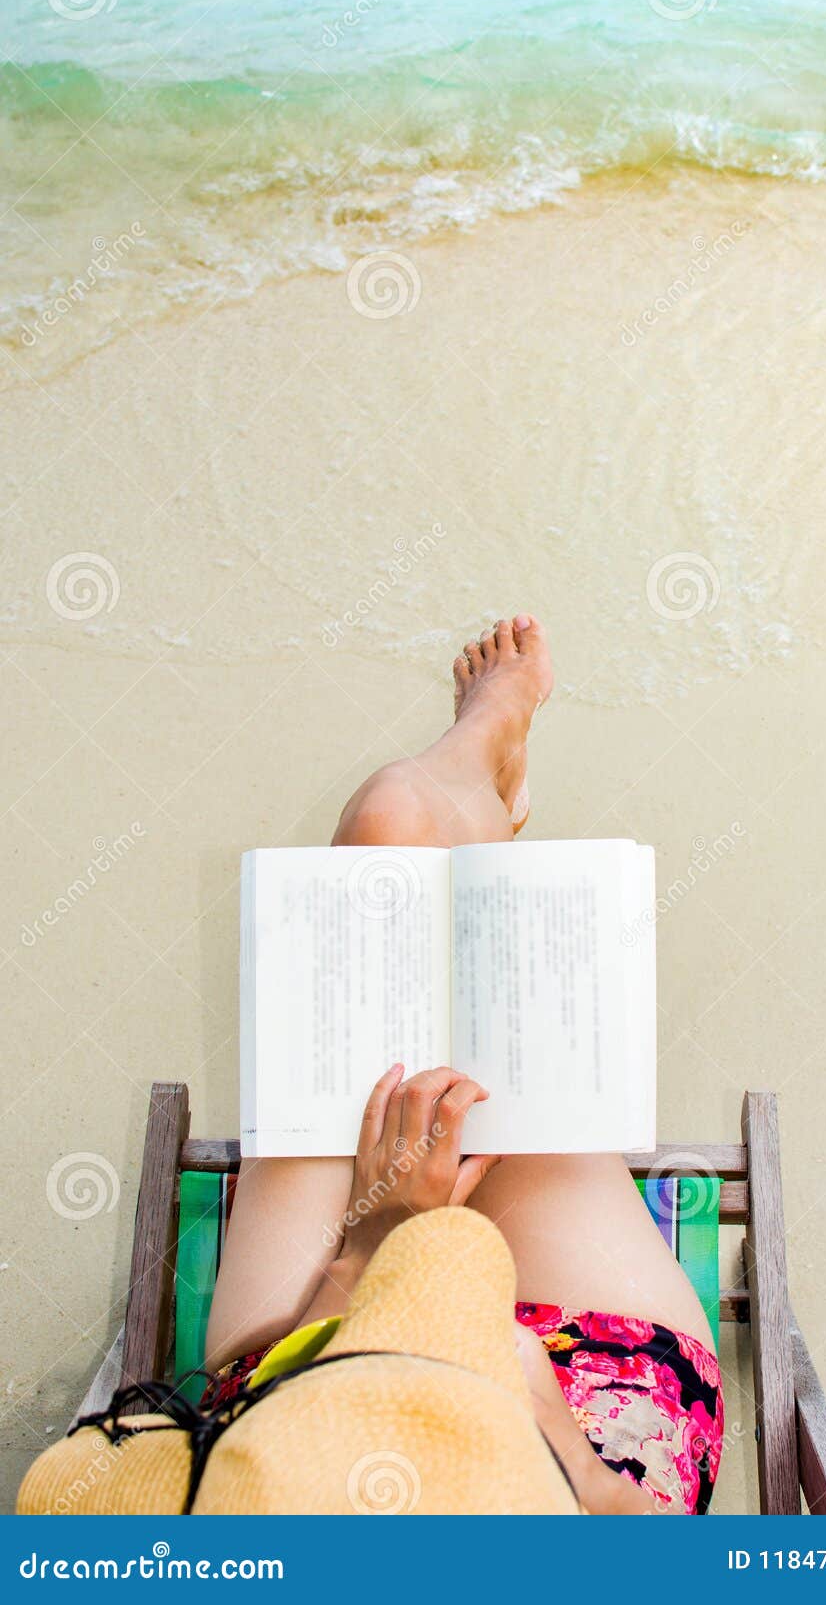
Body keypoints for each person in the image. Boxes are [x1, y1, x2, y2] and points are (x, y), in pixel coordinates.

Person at [203, 615, 723, 1515]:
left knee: (385, 832)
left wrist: (378, 1244)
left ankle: (467, 782)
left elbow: (237, 1476)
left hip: (313, 1377)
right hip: (591, 1402)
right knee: (497, 1025)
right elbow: (632, 1532)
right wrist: (521, 1396)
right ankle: (480, 806)